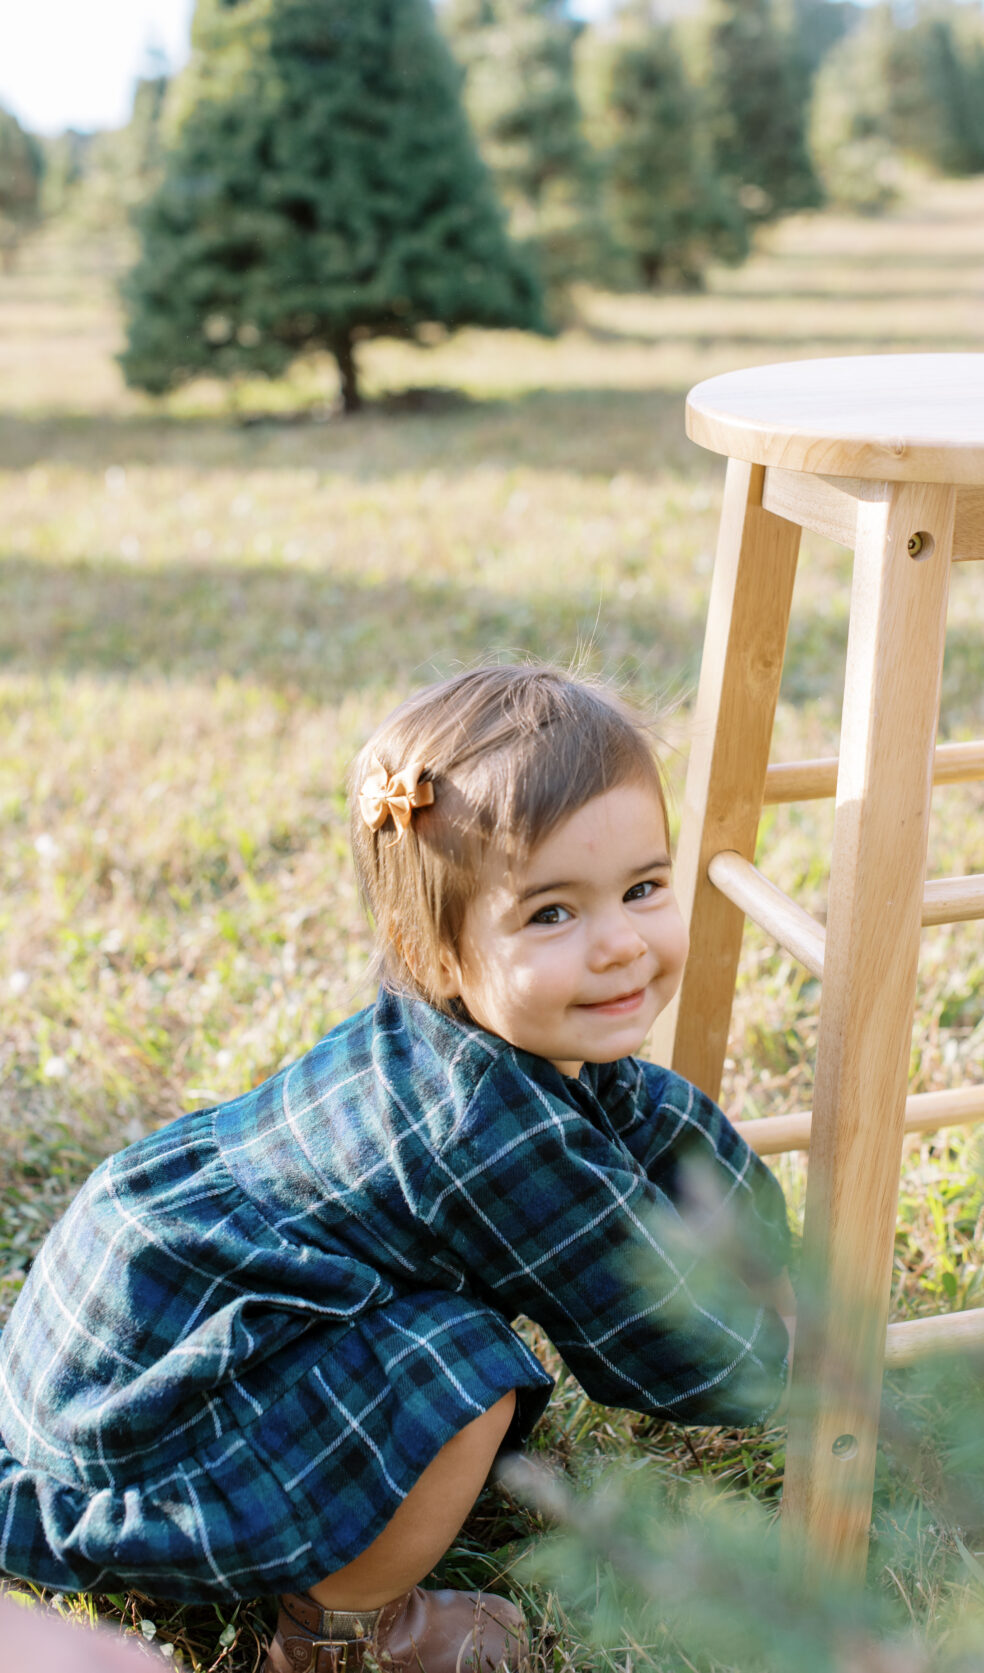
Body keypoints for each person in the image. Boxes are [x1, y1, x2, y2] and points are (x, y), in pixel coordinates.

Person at [0, 666, 794, 1673]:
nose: (620, 942)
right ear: (434, 951)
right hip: (142, 1404)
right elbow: (683, 1343)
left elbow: (651, 1120)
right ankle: (338, 1633)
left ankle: (345, 1509)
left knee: (446, 1347)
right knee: (461, 1376)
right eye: (551, 912)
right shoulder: (486, 1127)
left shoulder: (471, 1038)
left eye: (643, 887)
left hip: (113, 1322)